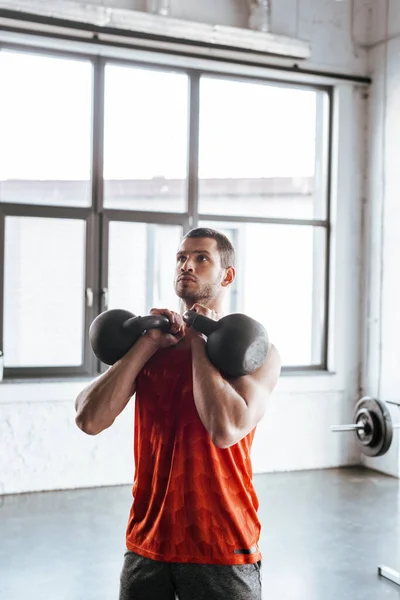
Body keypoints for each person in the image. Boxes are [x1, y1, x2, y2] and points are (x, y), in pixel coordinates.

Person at [75, 227, 281, 600]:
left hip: (222, 546)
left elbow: (226, 428)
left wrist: (198, 342)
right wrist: (147, 345)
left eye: (202, 258)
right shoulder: (152, 347)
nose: (187, 265)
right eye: (181, 258)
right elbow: (88, 419)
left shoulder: (254, 353)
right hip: (146, 544)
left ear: (227, 275)